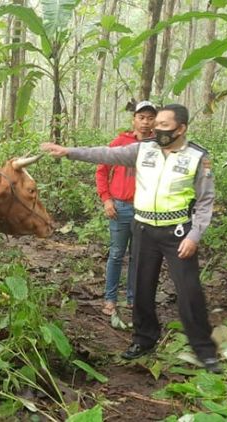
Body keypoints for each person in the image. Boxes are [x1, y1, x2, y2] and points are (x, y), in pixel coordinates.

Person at [42, 104, 221, 373]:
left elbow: (206, 202)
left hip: (178, 233)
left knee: (189, 292)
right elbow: (107, 154)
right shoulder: (143, 149)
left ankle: (205, 351)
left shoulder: (197, 158)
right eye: (156, 123)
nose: (156, 128)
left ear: (181, 128)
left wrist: (195, 236)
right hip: (144, 228)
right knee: (141, 288)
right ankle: (144, 339)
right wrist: (69, 152)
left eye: (164, 125)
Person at [96, 100, 156, 316]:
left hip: (146, 210)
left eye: (150, 118)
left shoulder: (158, 145)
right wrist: (106, 199)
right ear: (134, 120)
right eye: (142, 117)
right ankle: (110, 299)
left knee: (138, 256)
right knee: (116, 254)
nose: (145, 122)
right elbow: (102, 170)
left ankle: (133, 298)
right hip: (120, 207)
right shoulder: (120, 142)